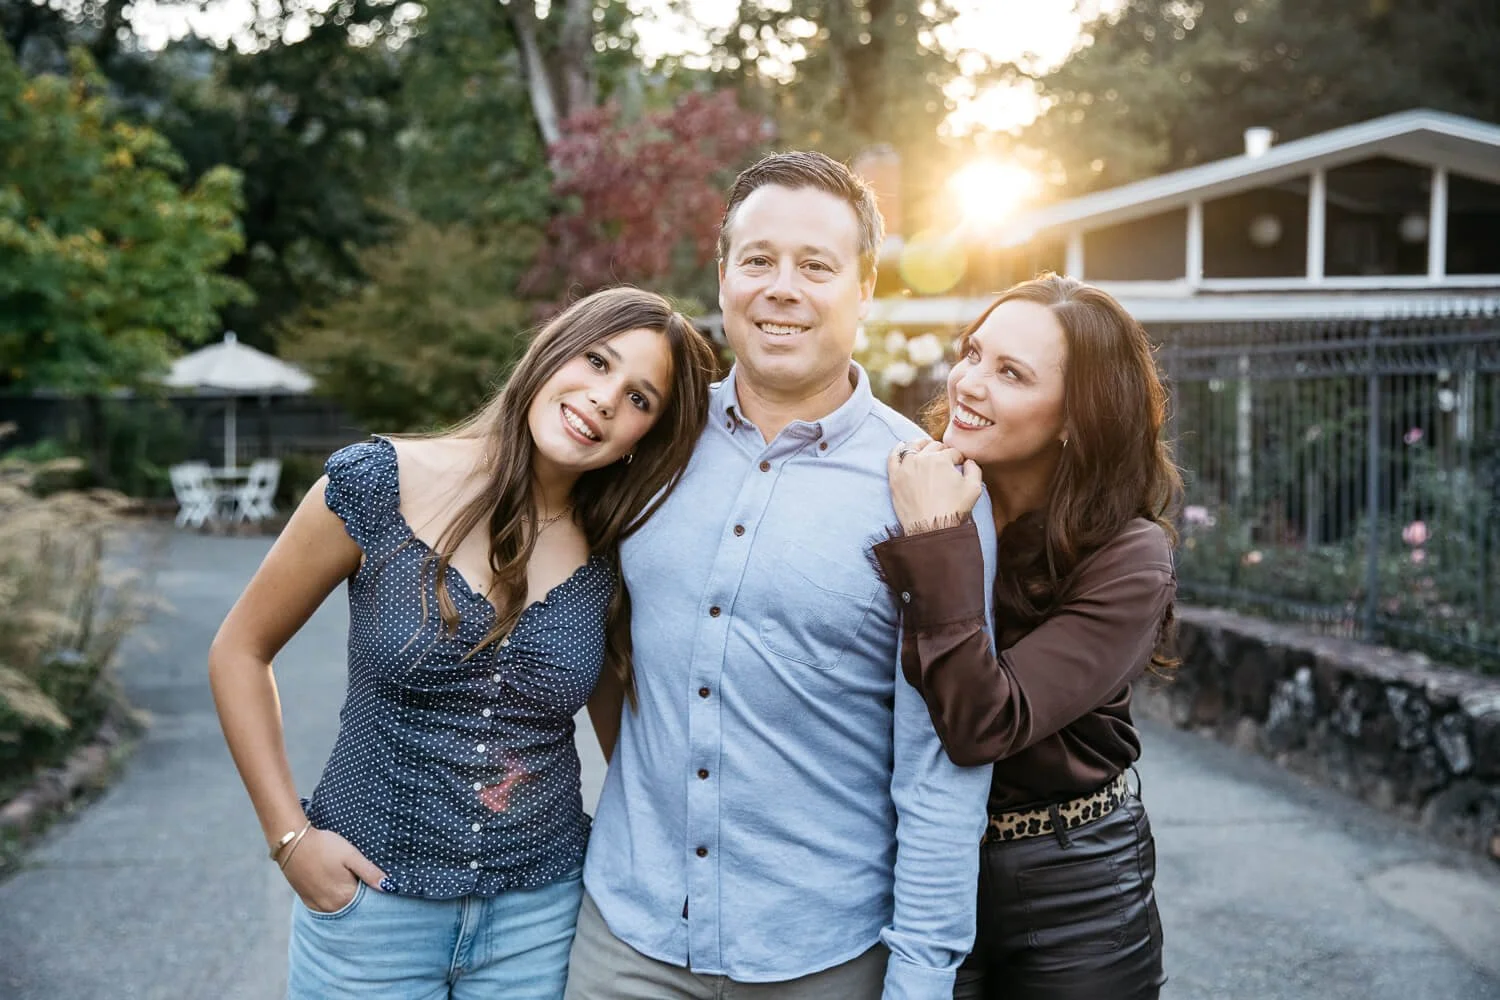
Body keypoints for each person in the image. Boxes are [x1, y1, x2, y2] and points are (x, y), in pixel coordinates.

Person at [564, 152, 993, 1000]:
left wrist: (920, 978)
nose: (781, 287)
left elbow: (940, 770)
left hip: (823, 958)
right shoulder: (643, 446)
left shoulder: (927, 489)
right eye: (758, 259)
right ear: (723, 275)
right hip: (627, 942)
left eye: (816, 266)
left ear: (865, 288)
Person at [208, 286, 717, 1000]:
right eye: (597, 362)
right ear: (551, 354)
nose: (605, 399)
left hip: (541, 921)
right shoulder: (375, 485)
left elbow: (635, 744)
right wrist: (290, 840)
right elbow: (239, 650)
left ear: (647, 435)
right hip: (367, 912)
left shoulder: (615, 553)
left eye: (640, 399)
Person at [873, 274, 1181, 1000]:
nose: (970, 383)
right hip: (919, 866)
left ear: (1077, 417)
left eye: (1011, 374)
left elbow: (985, 720)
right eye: (974, 354)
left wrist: (936, 537)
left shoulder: (1129, 557)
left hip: (1072, 886)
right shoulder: (913, 484)